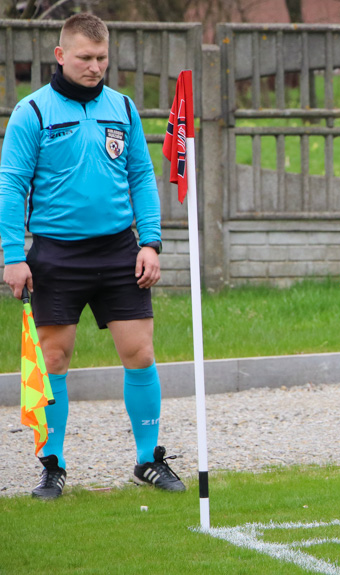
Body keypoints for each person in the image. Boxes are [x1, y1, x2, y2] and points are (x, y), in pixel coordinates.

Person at [0, 13, 185, 499]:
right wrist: (12, 255)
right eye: (85, 57)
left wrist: (150, 242)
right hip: (56, 255)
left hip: (119, 250)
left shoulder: (122, 108)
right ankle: (52, 464)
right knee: (54, 359)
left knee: (140, 353)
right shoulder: (32, 112)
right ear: (61, 55)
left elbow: (143, 177)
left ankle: (148, 460)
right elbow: (12, 185)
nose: (95, 67)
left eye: (102, 58)